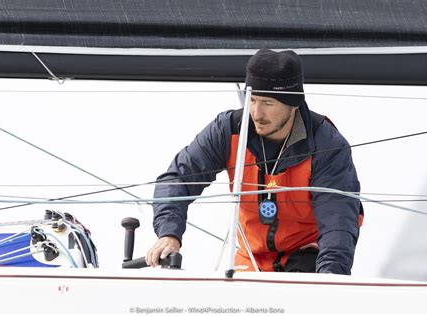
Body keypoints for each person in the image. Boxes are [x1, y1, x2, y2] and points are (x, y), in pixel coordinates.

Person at [146, 49, 363, 274]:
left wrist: (329, 278)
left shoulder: (327, 145)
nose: (257, 113)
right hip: (249, 257)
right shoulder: (228, 130)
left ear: (293, 104)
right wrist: (169, 233)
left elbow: (338, 220)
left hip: (307, 255)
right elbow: (178, 178)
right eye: (253, 100)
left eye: (268, 103)